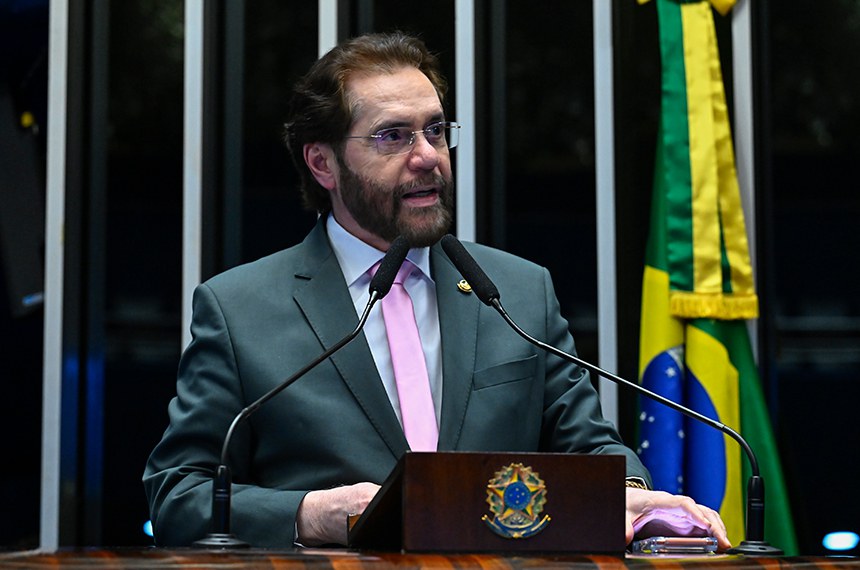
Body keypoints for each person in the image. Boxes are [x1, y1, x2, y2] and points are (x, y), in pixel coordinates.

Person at [144, 31, 730, 550]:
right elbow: (178, 495)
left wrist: (627, 495)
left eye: (435, 130)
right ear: (323, 163)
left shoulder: (517, 293)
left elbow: (591, 447)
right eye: (393, 136)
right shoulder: (240, 309)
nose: (428, 157)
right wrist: (309, 514)